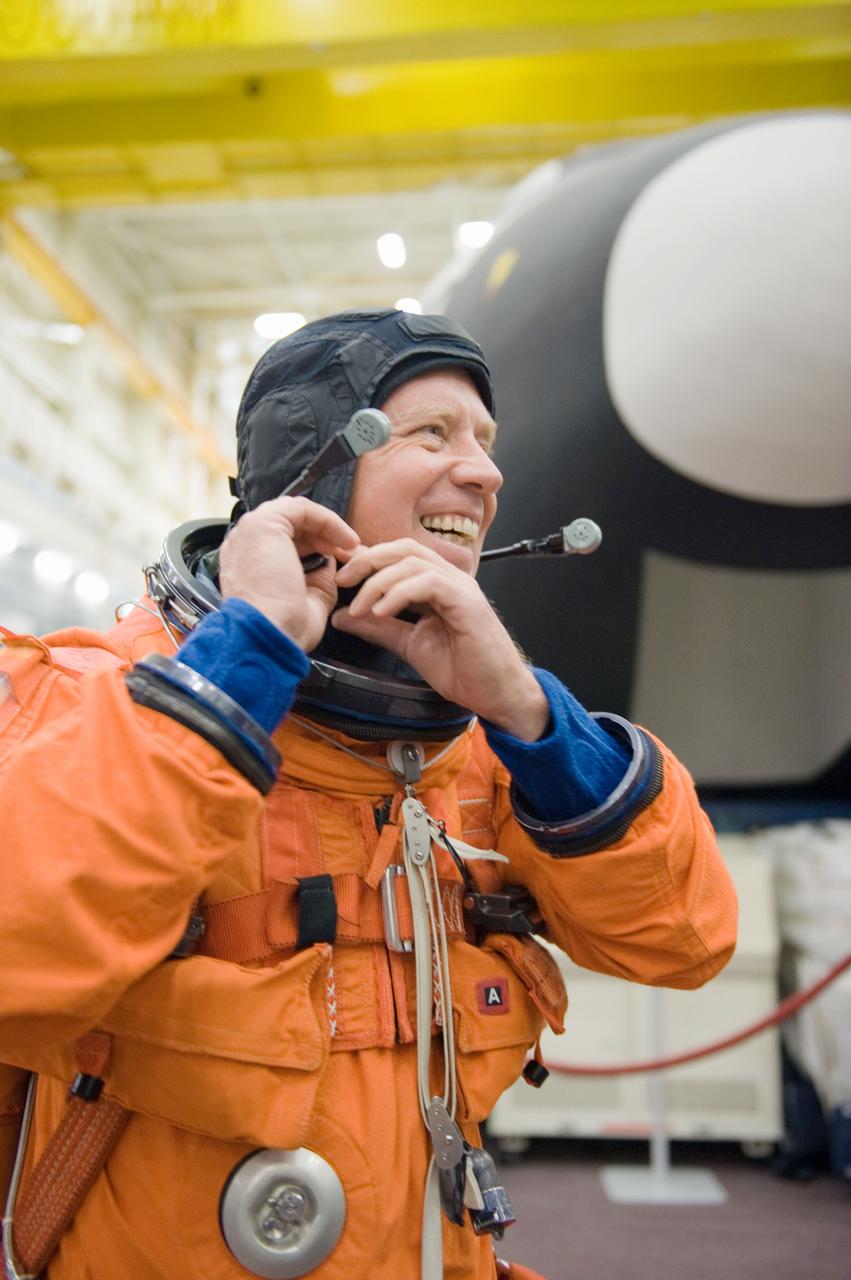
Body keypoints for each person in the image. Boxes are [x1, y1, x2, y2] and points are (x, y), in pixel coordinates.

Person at [0, 310, 736, 1280]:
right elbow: (24, 949)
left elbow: (679, 938)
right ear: (313, 472)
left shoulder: (473, 740)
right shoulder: (79, 701)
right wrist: (244, 662)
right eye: (430, 433)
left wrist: (524, 711)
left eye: (484, 442)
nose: (482, 472)